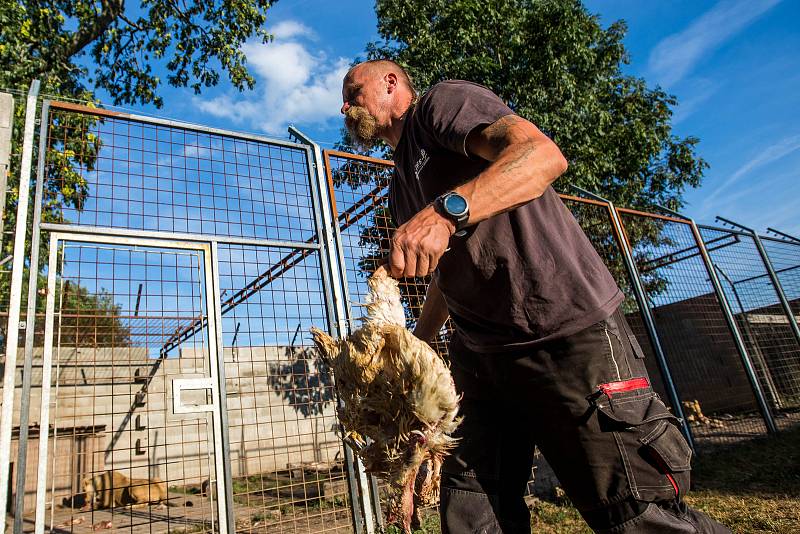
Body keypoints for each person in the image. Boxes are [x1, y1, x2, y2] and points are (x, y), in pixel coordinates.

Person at [340, 59, 730, 534]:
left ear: (390, 82)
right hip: (480, 357)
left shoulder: (440, 106)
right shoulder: (400, 183)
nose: (345, 106)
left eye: (353, 92)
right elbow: (447, 273)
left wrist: (446, 213)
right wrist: (417, 343)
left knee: (635, 514)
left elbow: (541, 155)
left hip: (561, 327)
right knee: (470, 509)